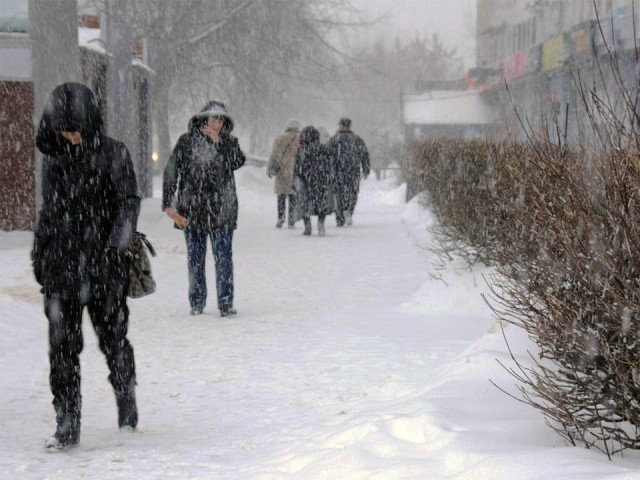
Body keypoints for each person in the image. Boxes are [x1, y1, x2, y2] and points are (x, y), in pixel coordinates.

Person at [32, 82, 141, 450]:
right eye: (64, 130)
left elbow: (128, 202)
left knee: (113, 340)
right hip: (62, 269)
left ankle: (126, 400)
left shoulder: (114, 153)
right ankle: (66, 421)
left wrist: (116, 246)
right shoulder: (55, 159)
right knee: (61, 349)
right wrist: (40, 252)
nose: (71, 136)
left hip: (104, 267)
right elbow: (49, 210)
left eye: (76, 129)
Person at [162, 100, 245, 317]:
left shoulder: (229, 142)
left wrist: (219, 143)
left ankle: (226, 303)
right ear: (203, 119)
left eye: (220, 120)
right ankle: (197, 302)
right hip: (191, 208)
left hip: (222, 209)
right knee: (195, 259)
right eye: (213, 118)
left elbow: (238, 162)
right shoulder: (186, 141)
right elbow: (171, 170)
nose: (217, 123)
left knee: (223, 258)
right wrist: (168, 202)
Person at [293, 126, 335, 236]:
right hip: (322, 182)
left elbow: (297, 168)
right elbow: (331, 165)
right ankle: (321, 224)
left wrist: (297, 180)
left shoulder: (302, 151)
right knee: (321, 203)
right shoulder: (325, 149)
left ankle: (307, 227)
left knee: (305, 205)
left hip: (306, 181)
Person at [327, 117, 370, 227]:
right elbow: (364, 154)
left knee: (339, 193)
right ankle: (349, 211)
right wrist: (366, 169)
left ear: (342, 126)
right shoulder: (357, 139)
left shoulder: (334, 139)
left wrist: (327, 169)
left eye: (339, 125)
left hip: (338, 171)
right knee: (353, 192)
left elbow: (328, 155)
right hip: (353, 170)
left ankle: (340, 217)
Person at [266, 118, 300, 228]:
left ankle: (281, 218)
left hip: (282, 170)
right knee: (293, 196)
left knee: (281, 195)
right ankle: (291, 220)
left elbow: (273, 155)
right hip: (295, 171)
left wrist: (269, 169)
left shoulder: (280, 138)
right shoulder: (300, 139)